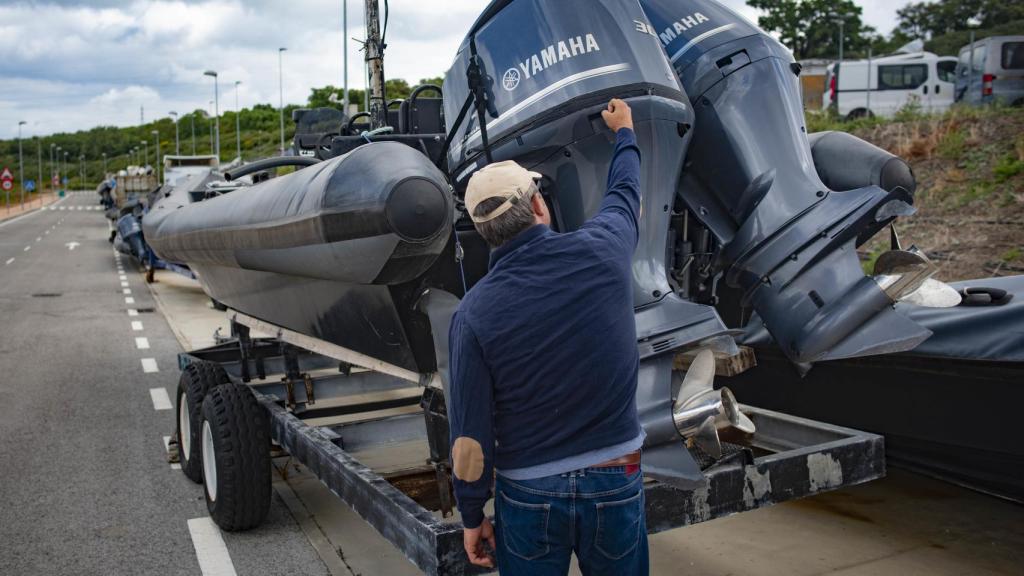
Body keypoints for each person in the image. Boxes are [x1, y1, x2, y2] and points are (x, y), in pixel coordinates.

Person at [448, 98, 647, 575]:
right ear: (538, 203)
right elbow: (626, 194)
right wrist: (626, 133)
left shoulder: (472, 313)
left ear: (483, 231)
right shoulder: (605, 249)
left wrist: (472, 516)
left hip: (529, 492)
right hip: (615, 475)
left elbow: (469, 440)